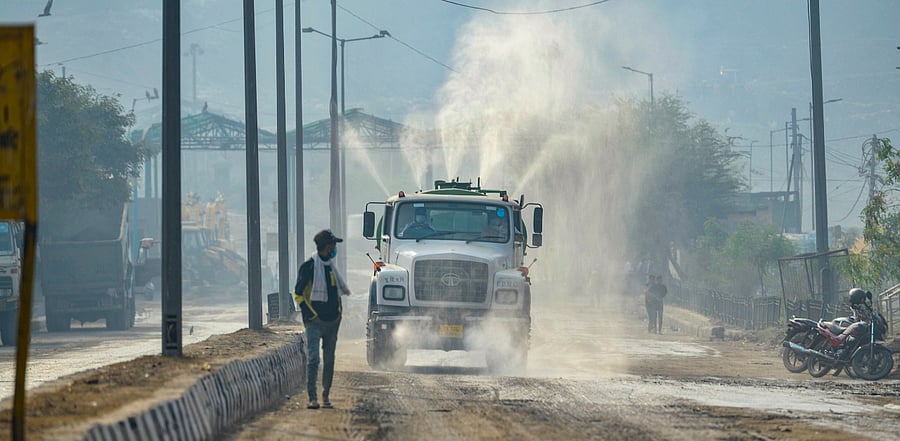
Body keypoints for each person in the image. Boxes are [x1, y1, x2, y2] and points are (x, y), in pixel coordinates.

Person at [293, 229, 351, 409]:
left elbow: (337, 294)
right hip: (314, 323)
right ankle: (312, 397)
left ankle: (325, 396)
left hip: (332, 323)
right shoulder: (309, 267)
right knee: (313, 359)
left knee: (330, 360)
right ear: (326, 247)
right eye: (333, 245)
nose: (335, 249)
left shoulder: (331, 268)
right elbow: (298, 295)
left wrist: (339, 314)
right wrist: (312, 316)